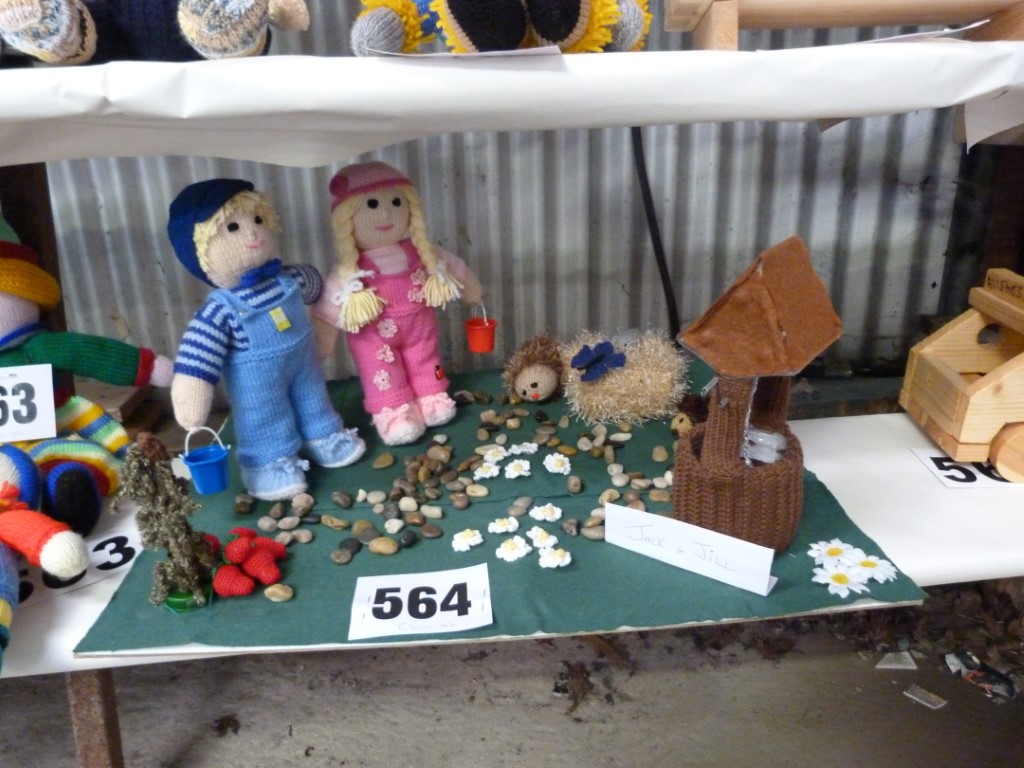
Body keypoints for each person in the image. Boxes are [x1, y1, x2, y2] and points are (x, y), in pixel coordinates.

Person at [167, 178, 364, 500]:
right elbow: (197, 356)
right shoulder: (221, 310)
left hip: (305, 363)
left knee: (313, 397)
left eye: (258, 220)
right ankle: (269, 462)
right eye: (233, 228)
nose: (253, 233)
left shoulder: (288, 278)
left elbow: (317, 286)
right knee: (264, 416)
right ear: (199, 251)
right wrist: (191, 397)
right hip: (257, 382)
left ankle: (324, 435)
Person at [312, 161, 483, 445]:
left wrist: (472, 292)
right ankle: (393, 413)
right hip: (373, 338)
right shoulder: (350, 271)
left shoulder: (420, 251)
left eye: (395, 202)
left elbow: (455, 268)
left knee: (427, 361)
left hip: (421, 330)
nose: (386, 213)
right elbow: (329, 309)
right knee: (381, 373)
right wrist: (322, 345)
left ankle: (432, 396)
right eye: (372, 205)